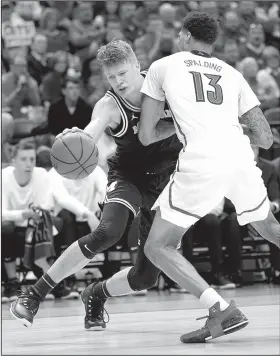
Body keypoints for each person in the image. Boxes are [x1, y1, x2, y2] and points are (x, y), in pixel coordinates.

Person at [10, 40, 182, 329]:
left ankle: (95, 294)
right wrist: (78, 139)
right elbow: (92, 131)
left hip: (165, 183)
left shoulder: (168, 86)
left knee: (145, 278)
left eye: (123, 74)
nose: (118, 82)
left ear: (138, 66)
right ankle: (34, 296)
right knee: (107, 231)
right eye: (111, 77)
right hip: (128, 175)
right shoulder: (109, 105)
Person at [138, 11, 280, 343]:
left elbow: (145, 134)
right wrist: (227, 125)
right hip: (240, 157)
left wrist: (181, 124)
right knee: (269, 226)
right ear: (212, 41)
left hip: (202, 160)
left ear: (185, 36)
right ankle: (220, 309)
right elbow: (265, 138)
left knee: (157, 246)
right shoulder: (233, 73)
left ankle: (220, 309)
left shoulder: (164, 66)